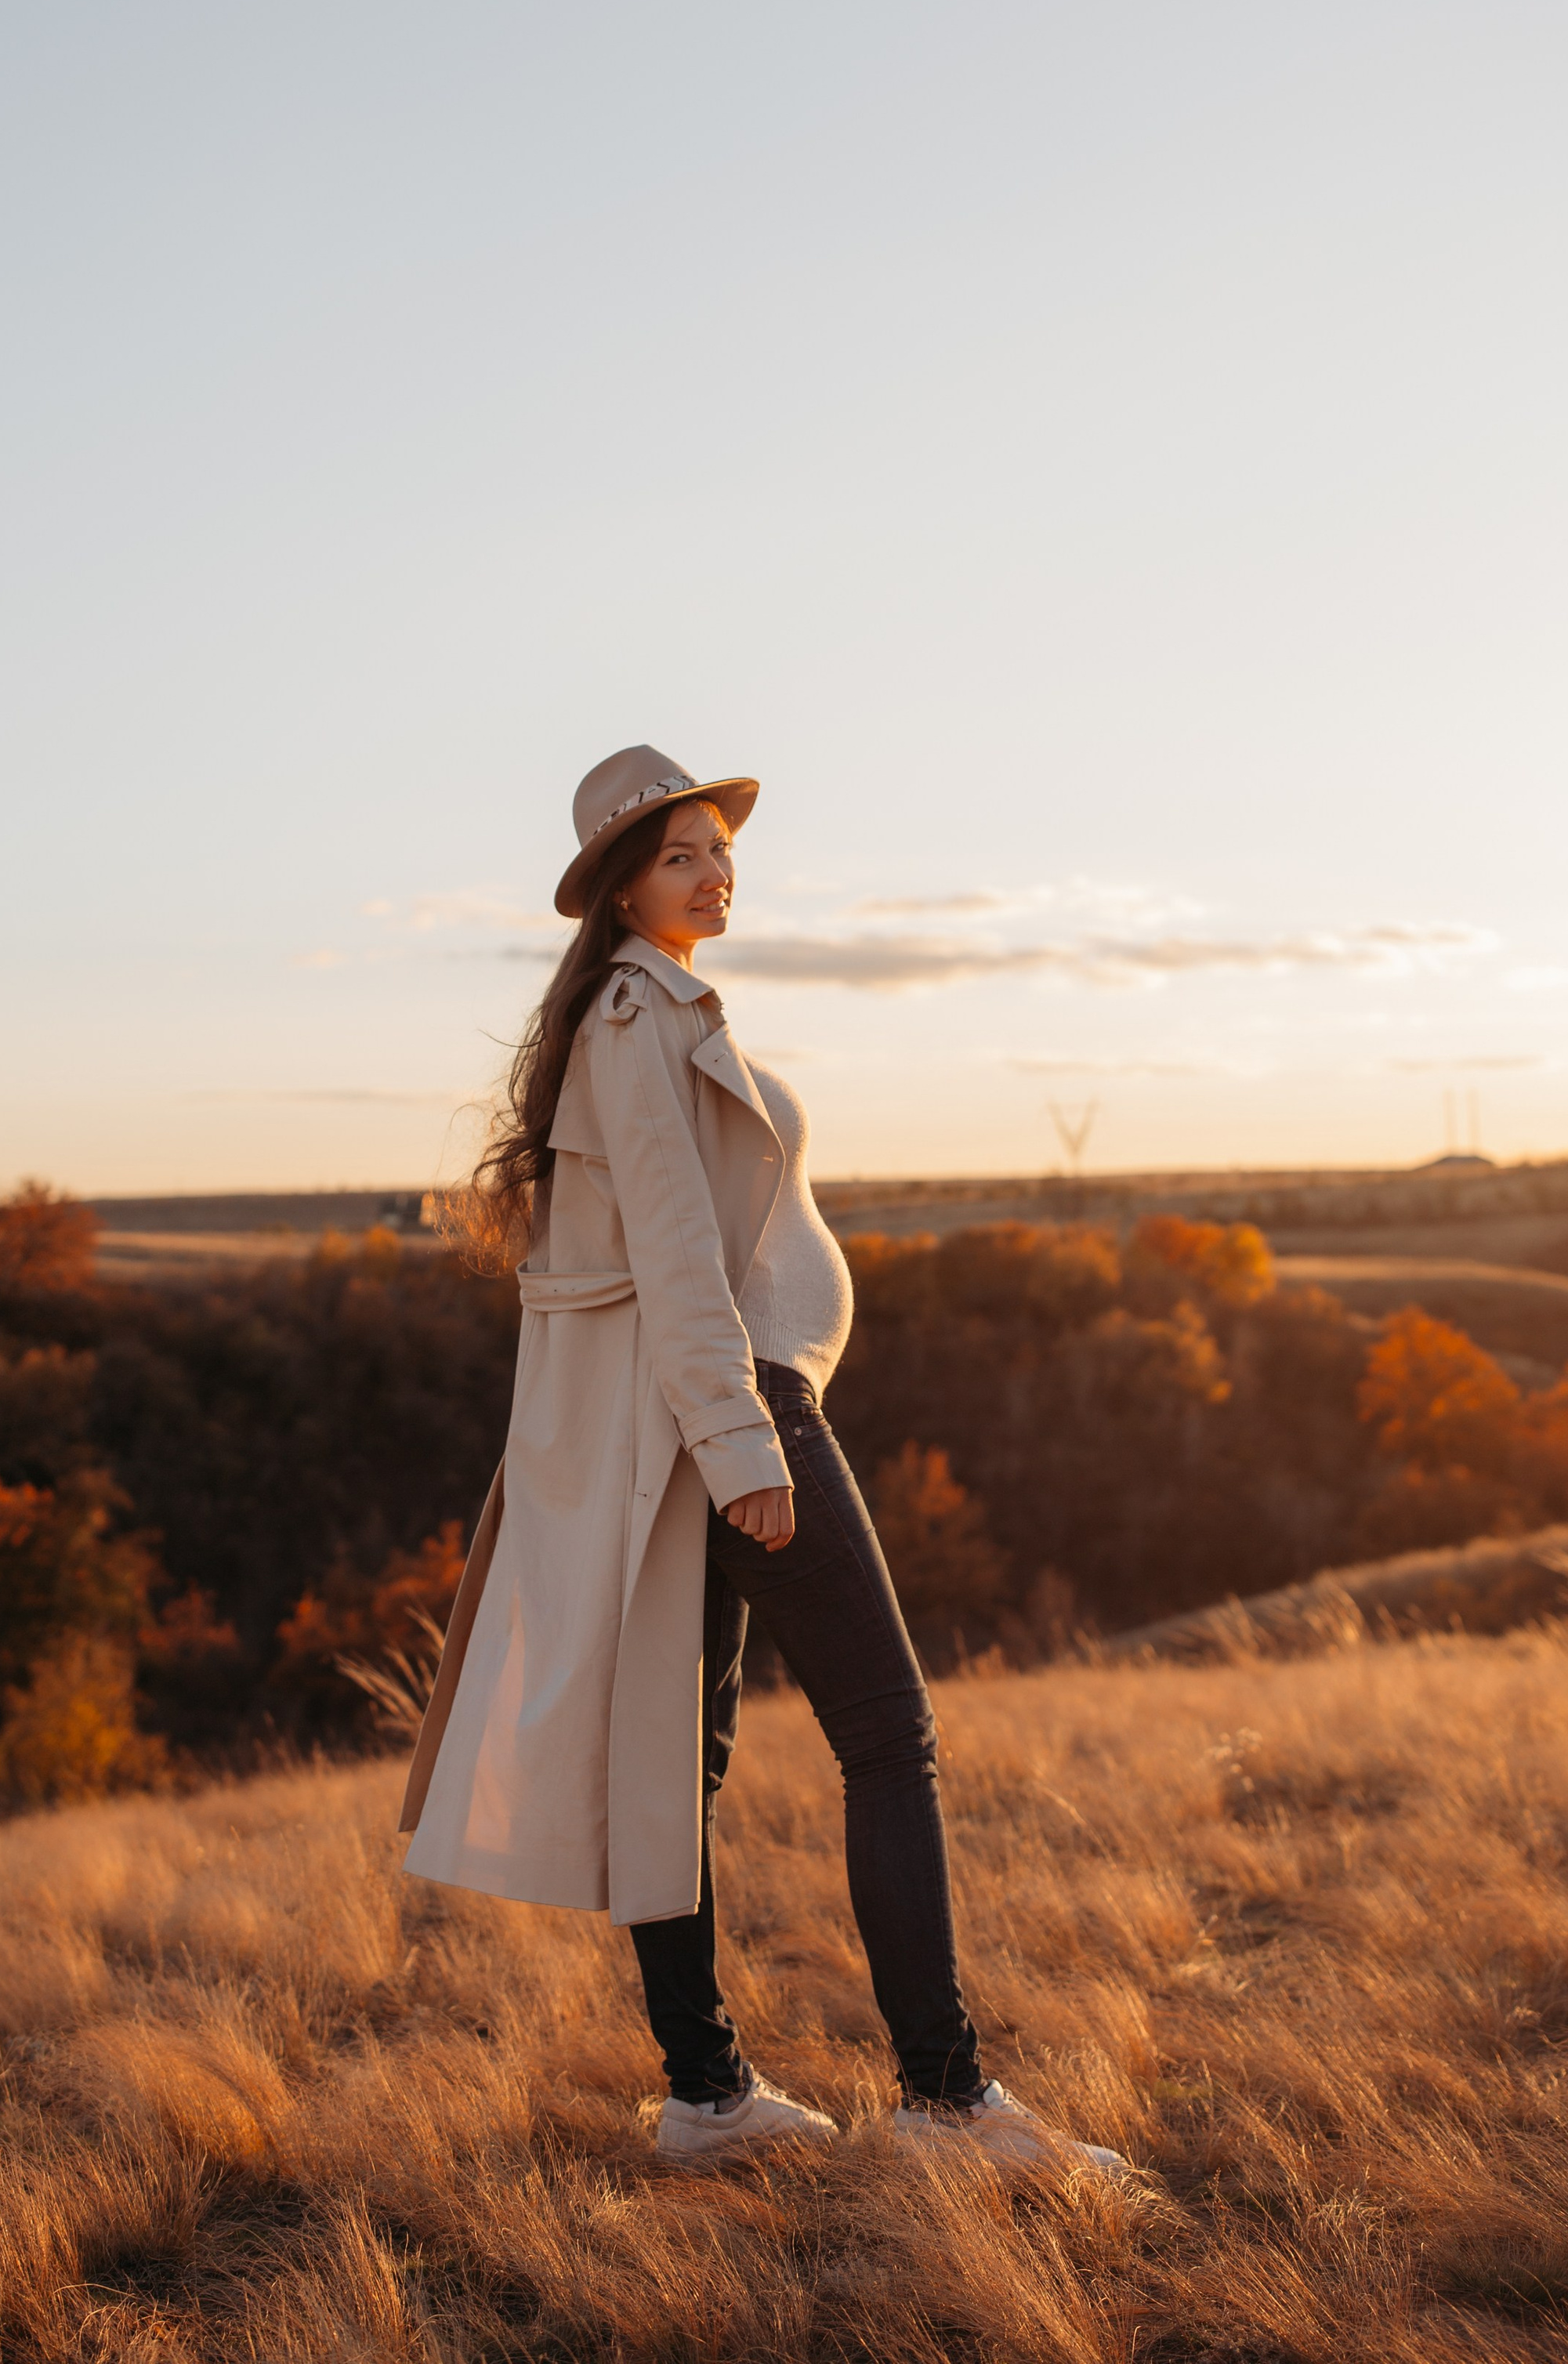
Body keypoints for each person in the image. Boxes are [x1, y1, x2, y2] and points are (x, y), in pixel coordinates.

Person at [402, 744, 1124, 2178]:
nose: (714, 871)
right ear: (622, 889)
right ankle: (946, 2102)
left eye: (719, 847)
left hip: (713, 1407)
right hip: (733, 1408)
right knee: (888, 1731)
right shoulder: (637, 1015)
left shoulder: (650, 1005)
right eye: (679, 854)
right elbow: (676, 1255)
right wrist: (742, 1443)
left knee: (683, 1762)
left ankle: (709, 2097)